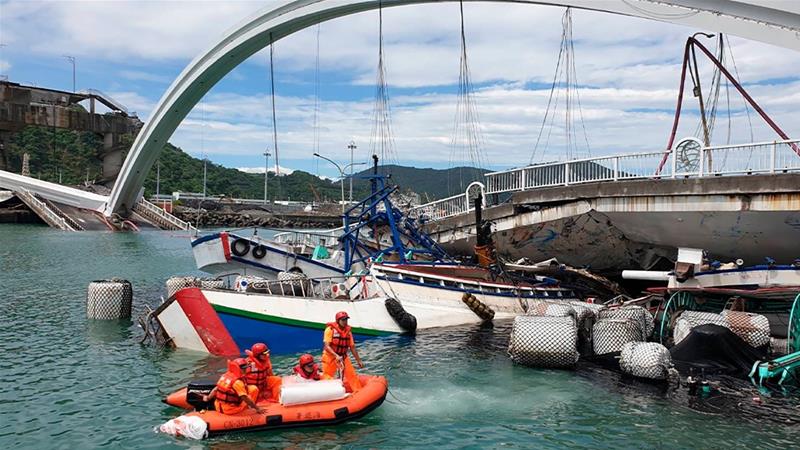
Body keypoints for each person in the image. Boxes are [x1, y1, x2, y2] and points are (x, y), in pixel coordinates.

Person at [322, 311, 364, 392]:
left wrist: (358, 360)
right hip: (330, 356)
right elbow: (327, 346)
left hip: (343, 357)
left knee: (352, 375)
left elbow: (352, 347)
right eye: (343, 320)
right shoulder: (330, 330)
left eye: (346, 320)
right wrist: (336, 355)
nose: (345, 322)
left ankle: (358, 392)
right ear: (338, 321)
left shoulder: (348, 332)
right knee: (327, 376)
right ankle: (329, 393)